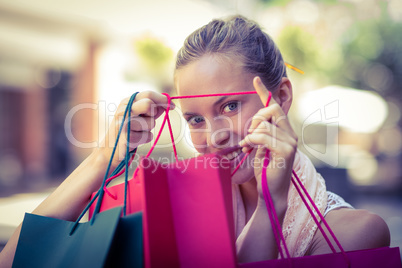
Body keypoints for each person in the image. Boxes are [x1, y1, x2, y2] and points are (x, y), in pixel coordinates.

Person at [0, 15, 390, 266]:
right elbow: (14, 260)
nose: (215, 136)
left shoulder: (354, 233)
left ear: (282, 97)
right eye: (195, 119)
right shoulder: (170, 207)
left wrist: (275, 201)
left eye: (231, 106)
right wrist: (103, 157)